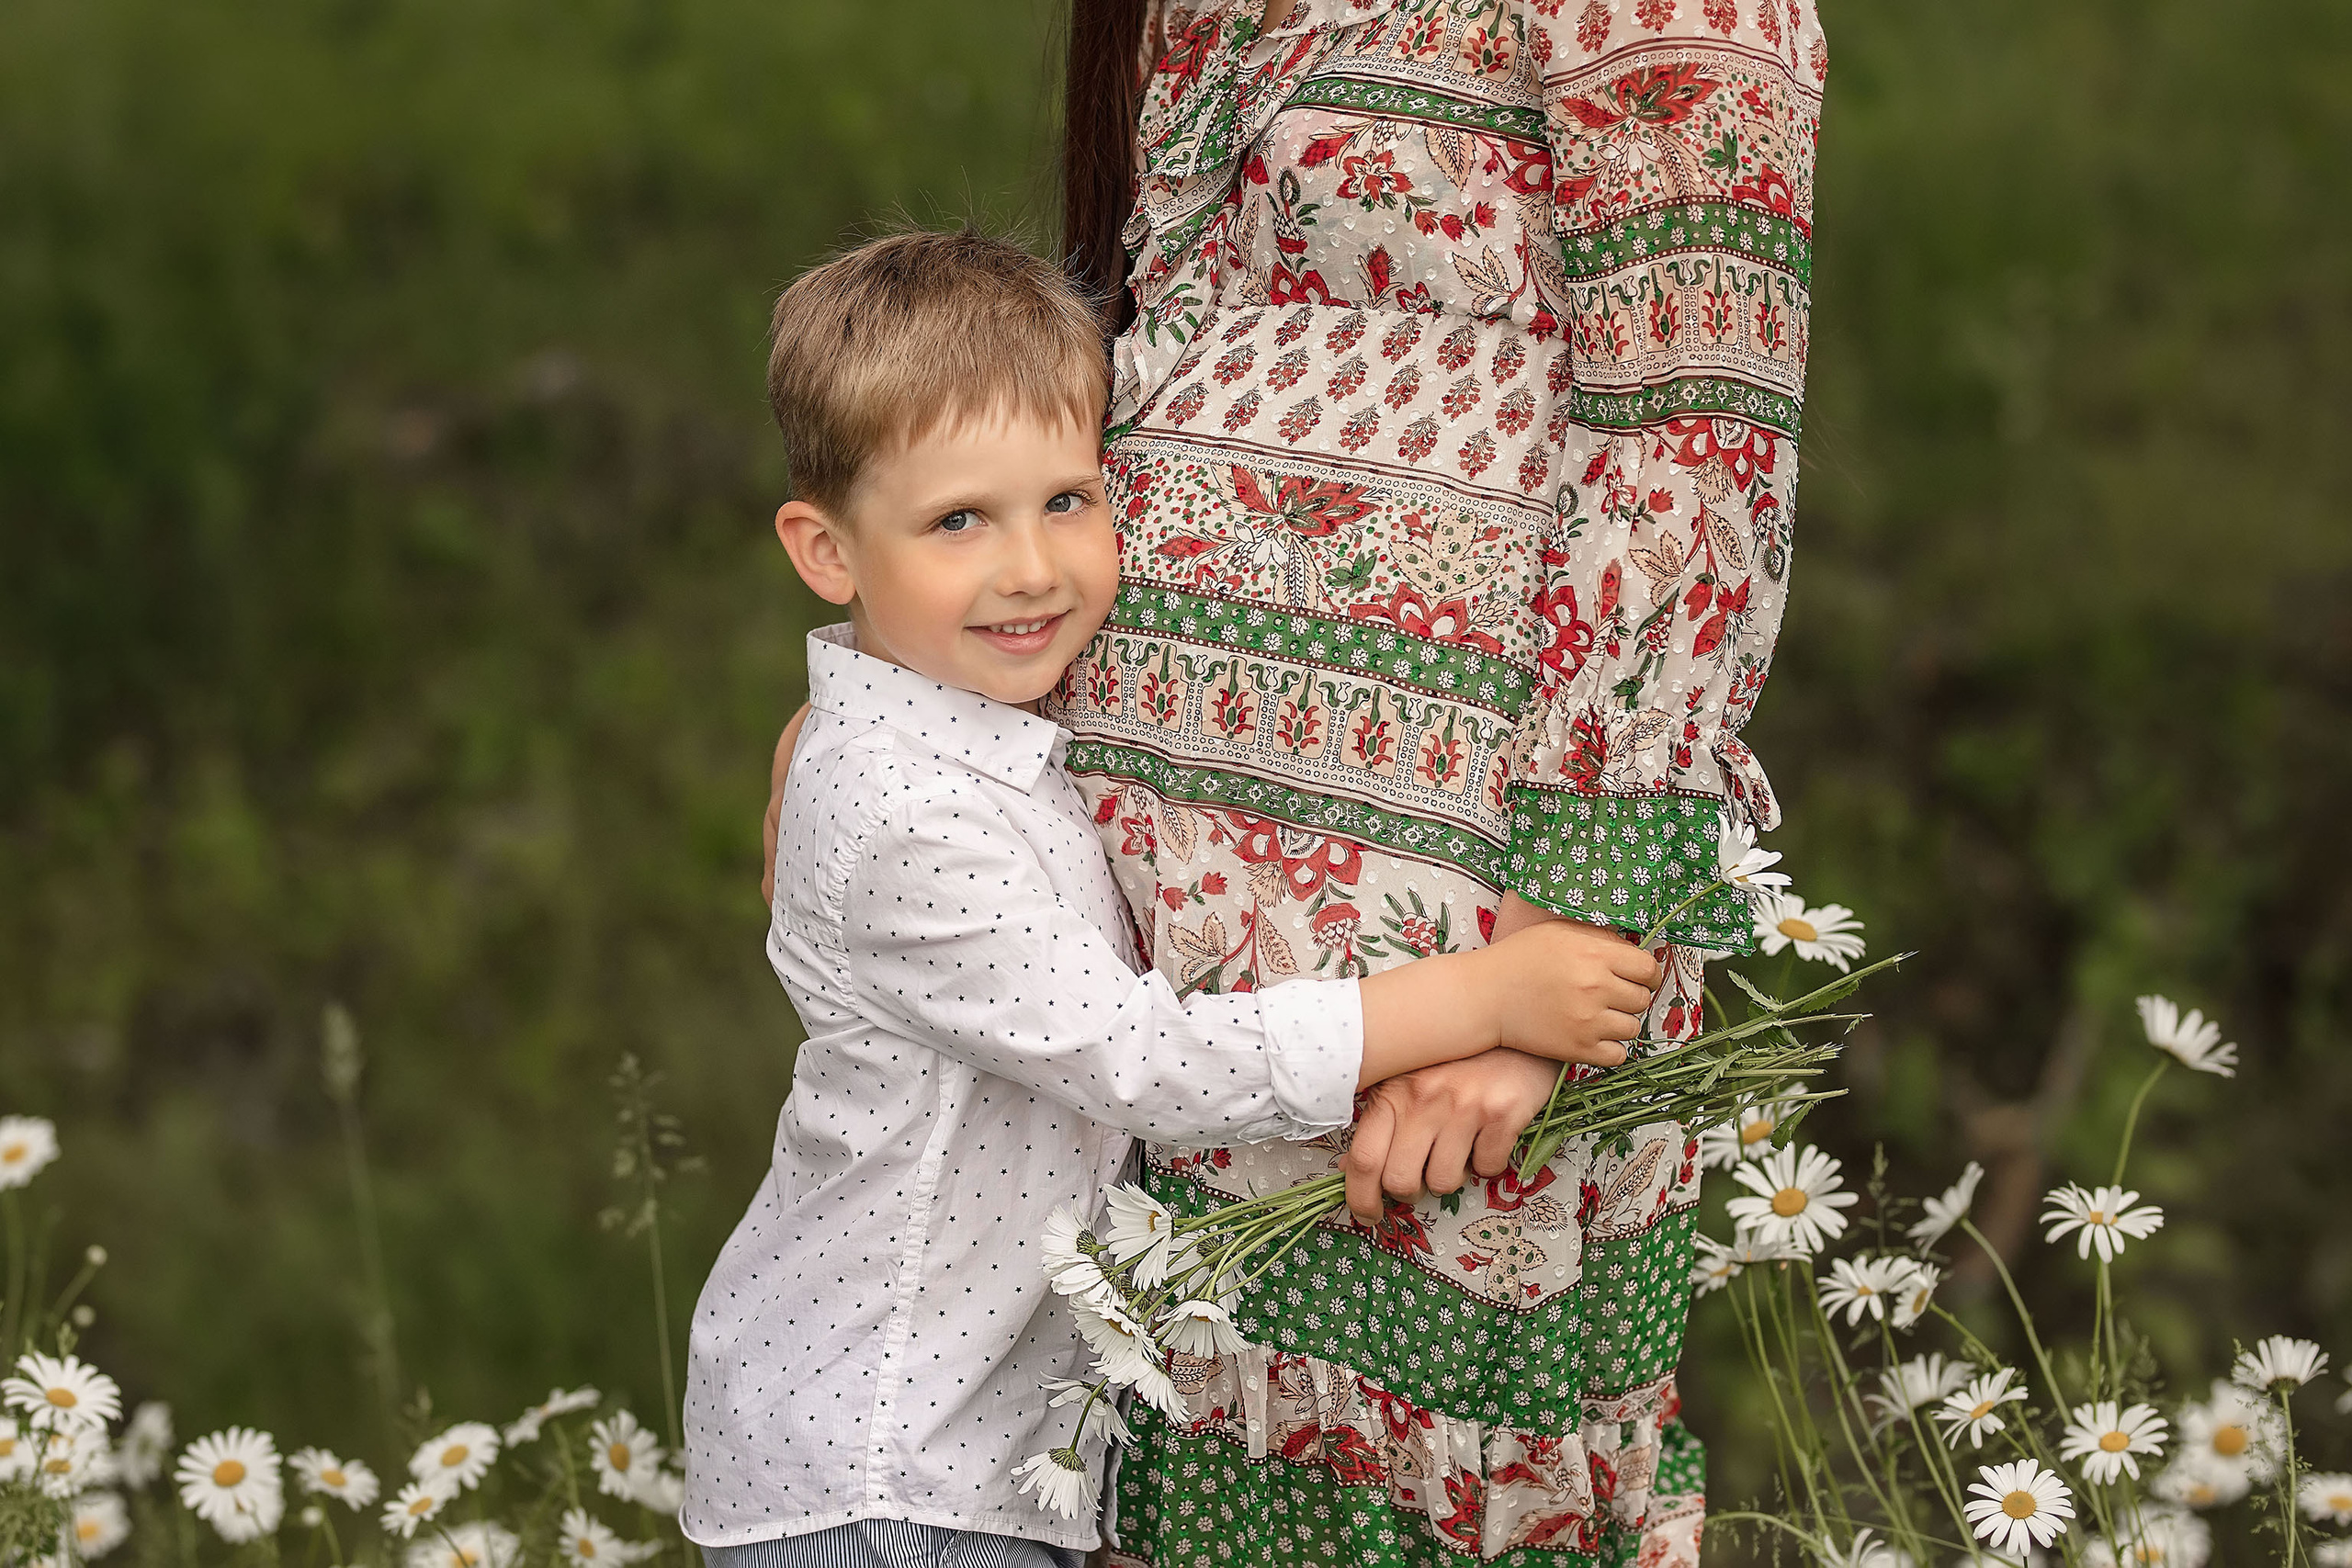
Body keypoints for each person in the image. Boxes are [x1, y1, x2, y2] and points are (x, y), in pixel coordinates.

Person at [764, 0, 1825, 1555]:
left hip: (1450, 920)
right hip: (1144, 924)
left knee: (1424, 1477)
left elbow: (1701, 436)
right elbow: (1103, 357)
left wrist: (1554, 947)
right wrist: (882, 708)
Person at [687, 229, 1663, 1568]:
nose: (1030, 565)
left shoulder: (955, 726)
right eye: (958, 520)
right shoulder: (904, 808)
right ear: (824, 550)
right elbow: (1142, 1060)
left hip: (958, 1455)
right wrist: (1478, 994)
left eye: (1069, 500)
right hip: (884, 1470)